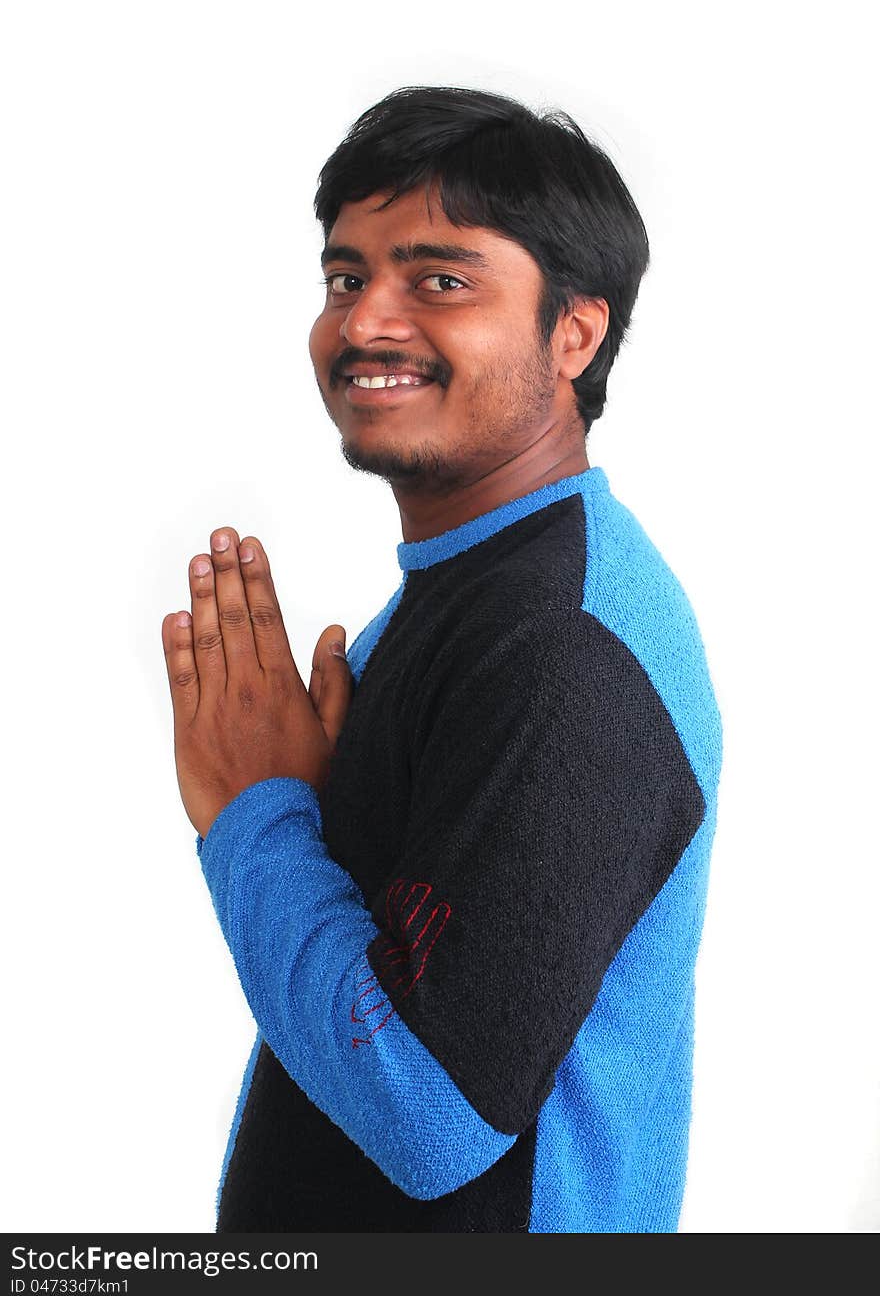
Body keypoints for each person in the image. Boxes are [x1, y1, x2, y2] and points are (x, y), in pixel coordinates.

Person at [161, 86, 722, 1233]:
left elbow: (429, 1115)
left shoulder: (560, 648)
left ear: (575, 331)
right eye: (345, 276)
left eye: (440, 280)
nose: (366, 321)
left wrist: (255, 816)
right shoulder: (470, 586)